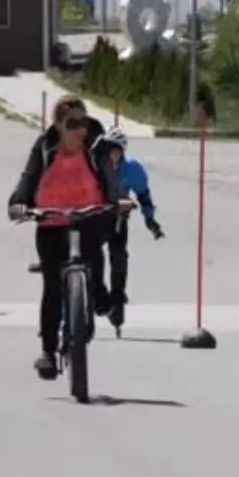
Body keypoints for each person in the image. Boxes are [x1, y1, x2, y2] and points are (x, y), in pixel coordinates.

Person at [7, 95, 129, 380]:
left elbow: (110, 179)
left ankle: (98, 293)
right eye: (72, 124)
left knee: (93, 249)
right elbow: (28, 178)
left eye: (83, 122)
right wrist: (18, 203)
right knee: (52, 287)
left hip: (88, 216)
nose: (80, 130)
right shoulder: (45, 147)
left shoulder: (96, 148)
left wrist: (119, 199)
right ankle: (48, 352)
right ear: (58, 126)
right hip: (50, 221)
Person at [95, 126, 166, 328]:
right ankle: (97, 293)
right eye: (109, 150)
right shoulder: (95, 165)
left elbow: (143, 195)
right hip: (96, 217)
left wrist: (150, 220)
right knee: (91, 255)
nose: (113, 154)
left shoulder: (132, 168)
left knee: (119, 256)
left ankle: (117, 297)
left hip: (117, 217)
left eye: (117, 150)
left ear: (122, 151)